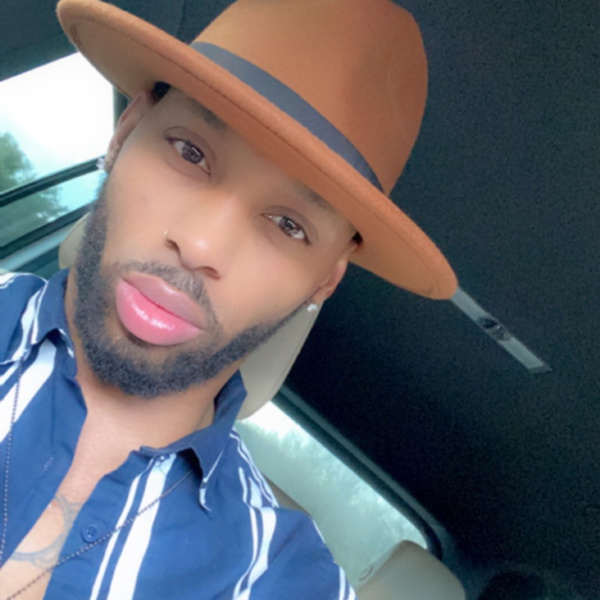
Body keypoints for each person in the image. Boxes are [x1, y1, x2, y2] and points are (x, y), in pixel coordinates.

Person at [0, 0, 457, 598]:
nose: (200, 245)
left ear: (323, 282)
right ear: (126, 130)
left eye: (289, 225)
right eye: (189, 151)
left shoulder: (283, 579)